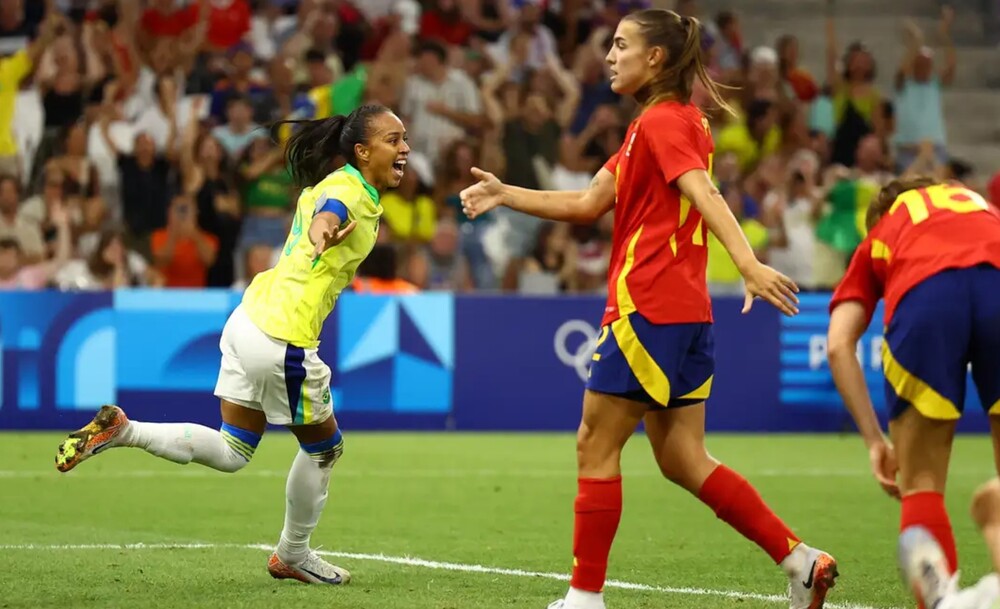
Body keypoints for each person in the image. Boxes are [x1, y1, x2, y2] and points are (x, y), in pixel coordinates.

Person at [460, 9, 837, 609]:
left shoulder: (661, 123)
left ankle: (584, 599)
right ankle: (800, 560)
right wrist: (508, 194)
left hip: (649, 308)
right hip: (685, 314)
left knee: (594, 443)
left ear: (655, 58)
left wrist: (747, 263)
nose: (609, 55)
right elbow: (588, 202)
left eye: (620, 45)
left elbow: (704, 193)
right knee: (684, 459)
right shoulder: (666, 124)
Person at [53, 104, 410, 586]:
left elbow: (327, 211)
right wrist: (323, 233)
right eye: (393, 140)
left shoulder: (343, 182)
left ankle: (125, 430)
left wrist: (322, 231)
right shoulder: (347, 192)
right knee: (325, 450)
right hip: (284, 336)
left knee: (233, 449)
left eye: (404, 138)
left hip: (249, 319)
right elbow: (328, 218)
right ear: (363, 150)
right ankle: (293, 554)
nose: (404, 148)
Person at [827, 177, 1000, 609]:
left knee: (920, 482)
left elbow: (837, 343)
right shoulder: (975, 204)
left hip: (926, 293)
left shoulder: (887, 229)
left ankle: (945, 601)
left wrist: (874, 441)